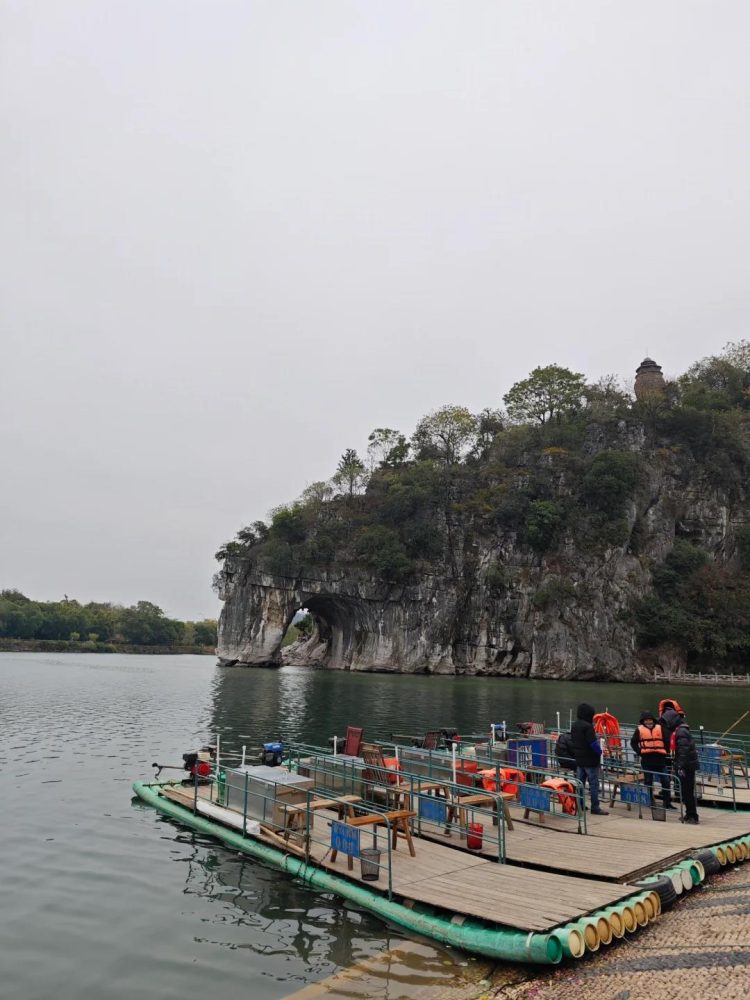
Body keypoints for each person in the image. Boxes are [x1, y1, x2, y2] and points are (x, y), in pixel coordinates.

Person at [630, 710, 674, 809]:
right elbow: (633, 743)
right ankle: (650, 802)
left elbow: (667, 740)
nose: (648, 722)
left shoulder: (660, 728)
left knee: (666, 781)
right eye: (646, 720)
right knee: (648, 782)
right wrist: (639, 751)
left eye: (650, 720)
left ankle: (667, 803)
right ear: (642, 721)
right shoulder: (639, 730)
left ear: (653, 720)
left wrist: (667, 751)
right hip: (647, 760)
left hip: (660, 760)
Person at [570, 703, 608, 815]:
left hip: (579, 759)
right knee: (594, 785)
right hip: (590, 761)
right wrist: (600, 752)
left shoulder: (575, 725)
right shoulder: (588, 726)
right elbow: (593, 743)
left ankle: (580, 804)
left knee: (580, 783)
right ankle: (595, 807)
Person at [669, 711, 700, 824]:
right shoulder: (680, 730)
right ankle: (689, 813)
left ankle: (693, 816)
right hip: (685, 765)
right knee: (685, 791)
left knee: (687, 791)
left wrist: (680, 765)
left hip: (686, 766)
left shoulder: (681, 731)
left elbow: (683, 750)